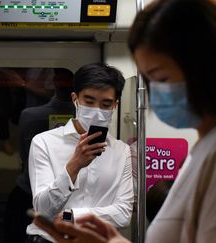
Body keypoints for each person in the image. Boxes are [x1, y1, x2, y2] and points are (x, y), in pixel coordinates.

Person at [32, 0, 216, 242]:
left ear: (208, 69)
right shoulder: (215, 143)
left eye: (160, 78)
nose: (155, 93)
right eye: (149, 80)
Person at [26, 63, 134, 243]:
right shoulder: (44, 142)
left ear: (115, 105)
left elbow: (123, 214)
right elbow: (42, 211)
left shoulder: (121, 151)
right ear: (75, 99)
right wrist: (74, 166)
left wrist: (71, 216)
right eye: (89, 101)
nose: (97, 110)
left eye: (106, 104)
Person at [4, 69, 76, 243]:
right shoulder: (86, 120)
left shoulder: (30, 116)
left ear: (54, 81)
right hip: (70, 199)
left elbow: (23, 154)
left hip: (27, 190)